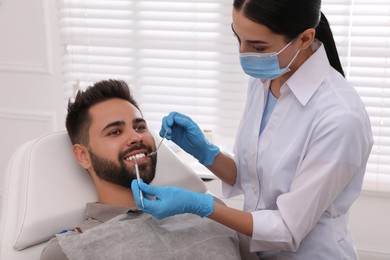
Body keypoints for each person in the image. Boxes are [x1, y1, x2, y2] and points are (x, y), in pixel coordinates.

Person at [131, 0, 374, 259]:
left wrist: (201, 205)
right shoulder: (265, 80)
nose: (244, 54)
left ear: (305, 38)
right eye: (239, 38)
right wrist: (205, 153)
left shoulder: (340, 117)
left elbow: (287, 229)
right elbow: (254, 180)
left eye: (258, 46)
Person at [40, 79, 243, 260]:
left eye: (139, 127)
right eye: (115, 132)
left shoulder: (210, 210)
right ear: (83, 156)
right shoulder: (69, 250)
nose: (136, 137)